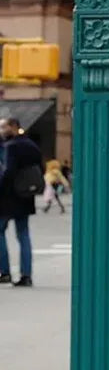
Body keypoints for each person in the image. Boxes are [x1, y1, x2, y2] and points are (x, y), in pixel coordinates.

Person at [0, 117, 42, 287]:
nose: (2, 130)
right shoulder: (32, 145)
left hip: (9, 198)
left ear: (13, 126)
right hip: (26, 196)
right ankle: (26, 274)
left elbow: (8, 172)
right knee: (23, 234)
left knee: (0, 232)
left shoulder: (12, 146)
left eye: (4, 127)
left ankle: (5, 271)